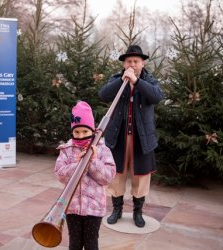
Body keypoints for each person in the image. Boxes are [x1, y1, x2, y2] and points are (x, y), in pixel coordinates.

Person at [98, 45, 163, 228]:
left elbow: (157, 97)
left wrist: (137, 82)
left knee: (141, 176)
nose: (132, 64)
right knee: (116, 174)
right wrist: (124, 81)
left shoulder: (150, 81)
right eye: (129, 61)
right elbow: (103, 95)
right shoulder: (117, 79)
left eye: (136, 61)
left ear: (143, 63)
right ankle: (116, 210)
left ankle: (138, 212)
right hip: (118, 136)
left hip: (142, 138)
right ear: (124, 63)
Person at [54, 101, 116, 250]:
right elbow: (60, 174)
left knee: (91, 244)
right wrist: (78, 165)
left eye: (85, 132)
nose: (80, 135)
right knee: (74, 243)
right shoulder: (67, 150)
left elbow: (108, 177)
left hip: (94, 208)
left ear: (93, 131)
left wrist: (92, 161)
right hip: (72, 207)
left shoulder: (102, 150)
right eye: (76, 132)